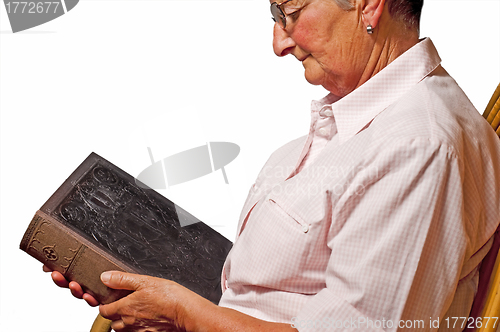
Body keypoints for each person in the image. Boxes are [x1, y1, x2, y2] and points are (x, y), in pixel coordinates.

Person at [45, 0, 500, 331]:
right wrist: (147, 295)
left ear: (367, 6)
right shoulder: (359, 123)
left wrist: (183, 313)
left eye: (290, 13)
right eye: (274, 16)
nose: (279, 43)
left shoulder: (418, 146)